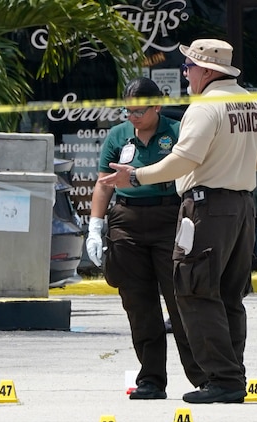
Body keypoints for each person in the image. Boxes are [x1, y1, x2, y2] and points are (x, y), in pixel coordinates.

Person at [99, 39, 257, 404]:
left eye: (189, 66)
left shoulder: (205, 107)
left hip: (207, 207)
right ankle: (233, 375)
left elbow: (182, 160)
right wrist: (234, 168)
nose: (185, 73)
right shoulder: (252, 102)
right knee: (229, 294)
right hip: (241, 207)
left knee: (196, 291)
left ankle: (222, 379)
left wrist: (136, 177)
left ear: (207, 70)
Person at [86, 77, 203, 400]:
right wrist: (95, 226)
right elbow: (103, 184)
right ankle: (151, 379)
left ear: (157, 106)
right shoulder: (118, 135)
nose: (133, 117)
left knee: (180, 299)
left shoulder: (177, 131)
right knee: (139, 304)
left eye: (140, 111)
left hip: (169, 216)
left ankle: (202, 376)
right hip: (127, 219)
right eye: (129, 111)